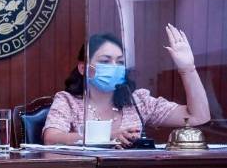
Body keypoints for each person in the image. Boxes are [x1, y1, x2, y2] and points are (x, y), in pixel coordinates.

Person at [43, 26, 211, 146]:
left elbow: (198, 116)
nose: (114, 67)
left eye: (120, 62)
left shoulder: (138, 101)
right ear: (83, 68)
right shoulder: (68, 101)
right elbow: (51, 138)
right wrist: (108, 136)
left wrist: (188, 69)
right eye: (105, 61)